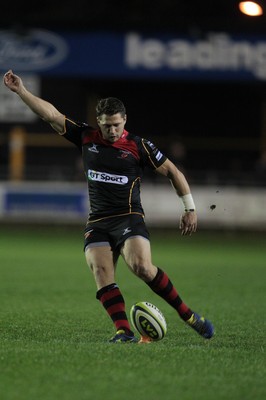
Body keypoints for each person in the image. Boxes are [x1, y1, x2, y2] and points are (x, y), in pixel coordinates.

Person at [3, 70, 214, 343]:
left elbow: (173, 172)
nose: (112, 131)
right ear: (98, 123)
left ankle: (189, 316)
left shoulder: (139, 146)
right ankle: (123, 331)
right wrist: (22, 91)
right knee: (101, 272)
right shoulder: (87, 137)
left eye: (116, 124)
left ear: (124, 120)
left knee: (141, 267)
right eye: (106, 126)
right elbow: (52, 115)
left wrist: (190, 208)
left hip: (129, 218)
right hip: (98, 222)